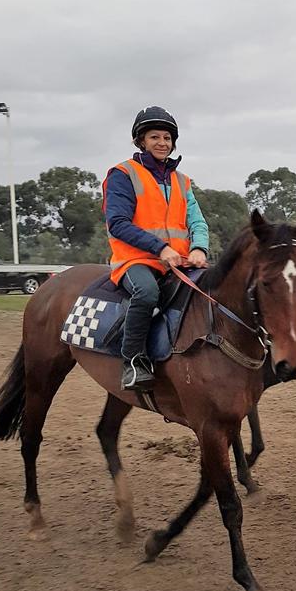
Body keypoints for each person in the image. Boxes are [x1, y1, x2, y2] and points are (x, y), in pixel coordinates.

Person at [103, 106, 209, 390]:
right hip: (135, 260)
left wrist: (199, 248)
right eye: (154, 137)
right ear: (141, 141)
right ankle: (133, 361)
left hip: (179, 261)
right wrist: (159, 248)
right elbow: (118, 223)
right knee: (147, 292)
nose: (162, 143)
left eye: (167, 138)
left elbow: (197, 221)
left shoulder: (182, 180)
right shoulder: (123, 174)